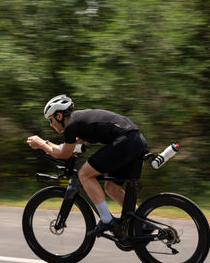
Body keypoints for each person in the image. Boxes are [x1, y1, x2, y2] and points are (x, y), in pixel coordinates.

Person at [27, 94, 148, 235]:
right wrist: (48, 145)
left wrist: (41, 143)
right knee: (111, 188)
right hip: (135, 141)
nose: (51, 125)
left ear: (59, 116)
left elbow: (64, 154)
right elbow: (66, 149)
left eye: (51, 120)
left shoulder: (71, 125)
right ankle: (141, 224)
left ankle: (107, 220)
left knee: (85, 174)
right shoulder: (78, 121)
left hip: (126, 141)